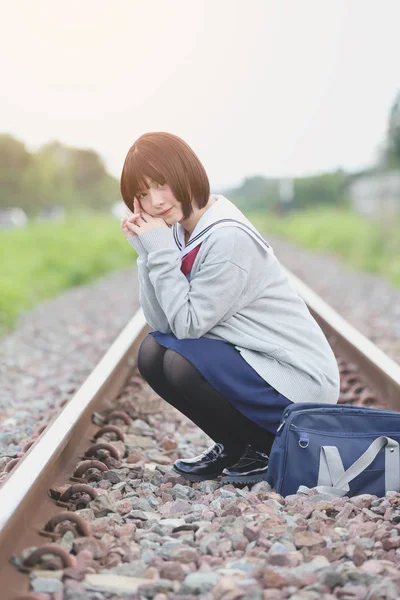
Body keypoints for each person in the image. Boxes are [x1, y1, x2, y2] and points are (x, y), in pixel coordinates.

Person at [120, 131, 340, 486]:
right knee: (152, 350)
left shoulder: (227, 237)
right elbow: (162, 322)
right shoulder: (179, 232)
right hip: (254, 360)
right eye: (144, 194)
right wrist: (147, 251)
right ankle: (236, 445)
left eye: (161, 184)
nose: (156, 201)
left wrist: (158, 249)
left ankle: (268, 447)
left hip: (296, 377)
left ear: (186, 172)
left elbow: (188, 326)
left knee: (181, 362)